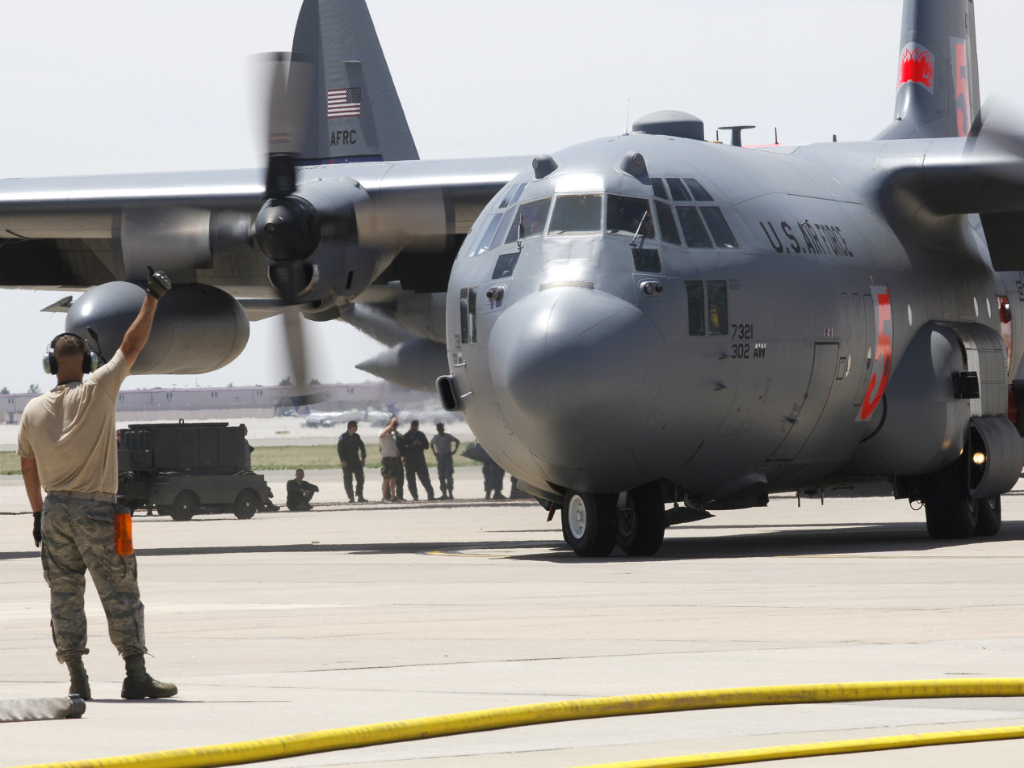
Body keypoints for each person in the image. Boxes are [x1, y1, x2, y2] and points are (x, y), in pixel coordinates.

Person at [18, 267, 177, 701]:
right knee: (121, 590)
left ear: (51, 366)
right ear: (87, 363)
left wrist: (37, 515)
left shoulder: (31, 411)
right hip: (99, 511)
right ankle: (136, 674)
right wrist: (153, 298)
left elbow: (28, 469)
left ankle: (77, 676)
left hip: (54, 514)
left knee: (64, 597)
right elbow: (132, 343)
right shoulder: (99, 389)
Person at [402, 420, 435, 501]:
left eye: (416, 426)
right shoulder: (406, 436)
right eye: (413, 426)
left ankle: (431, 495)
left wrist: (421, 444)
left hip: (420, 460)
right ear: (411, 426)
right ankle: (415, 496)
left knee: (425, 478)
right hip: (410, 461)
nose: (414, 428)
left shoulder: (421, 434)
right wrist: (412, 445)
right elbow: (403, 449)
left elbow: (427, 446)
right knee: (411, 480)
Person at [337, 421, 367, 503]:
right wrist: (342, 460)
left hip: (356, 461)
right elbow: (340, 450)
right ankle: (351, 497)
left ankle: (360, 496)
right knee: (348, 480)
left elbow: (362, 447)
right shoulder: (343, 437)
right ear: (350, 427)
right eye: (355, 426)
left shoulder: (357, 436)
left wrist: (363, 457)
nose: (356, 428)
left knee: (360, 478)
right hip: (347, 462)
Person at [430, 422, 460, 500]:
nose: (440, 431)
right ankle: (444, 494)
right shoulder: (436, 437)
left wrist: (454, 451)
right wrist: (434, 452)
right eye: (438, 429)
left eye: (441, 429)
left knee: (449, 476)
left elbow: (457, 441)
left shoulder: (448, 436)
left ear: (443, 429)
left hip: (447, 457)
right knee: (441, 476)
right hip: (440, 458)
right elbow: (431, 443)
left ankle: (450, 494)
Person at [379, 415, 403, 502]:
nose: (394, 427)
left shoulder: (393, 435)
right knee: (386, 479)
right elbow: (382, 435)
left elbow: (393, 444)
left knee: (393, 478)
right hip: (386, 458)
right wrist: (391, 423)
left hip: (394, 458)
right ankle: (384, 497)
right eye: (393, 425)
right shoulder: (382, 432)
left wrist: (397, 451)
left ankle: (393, 497)